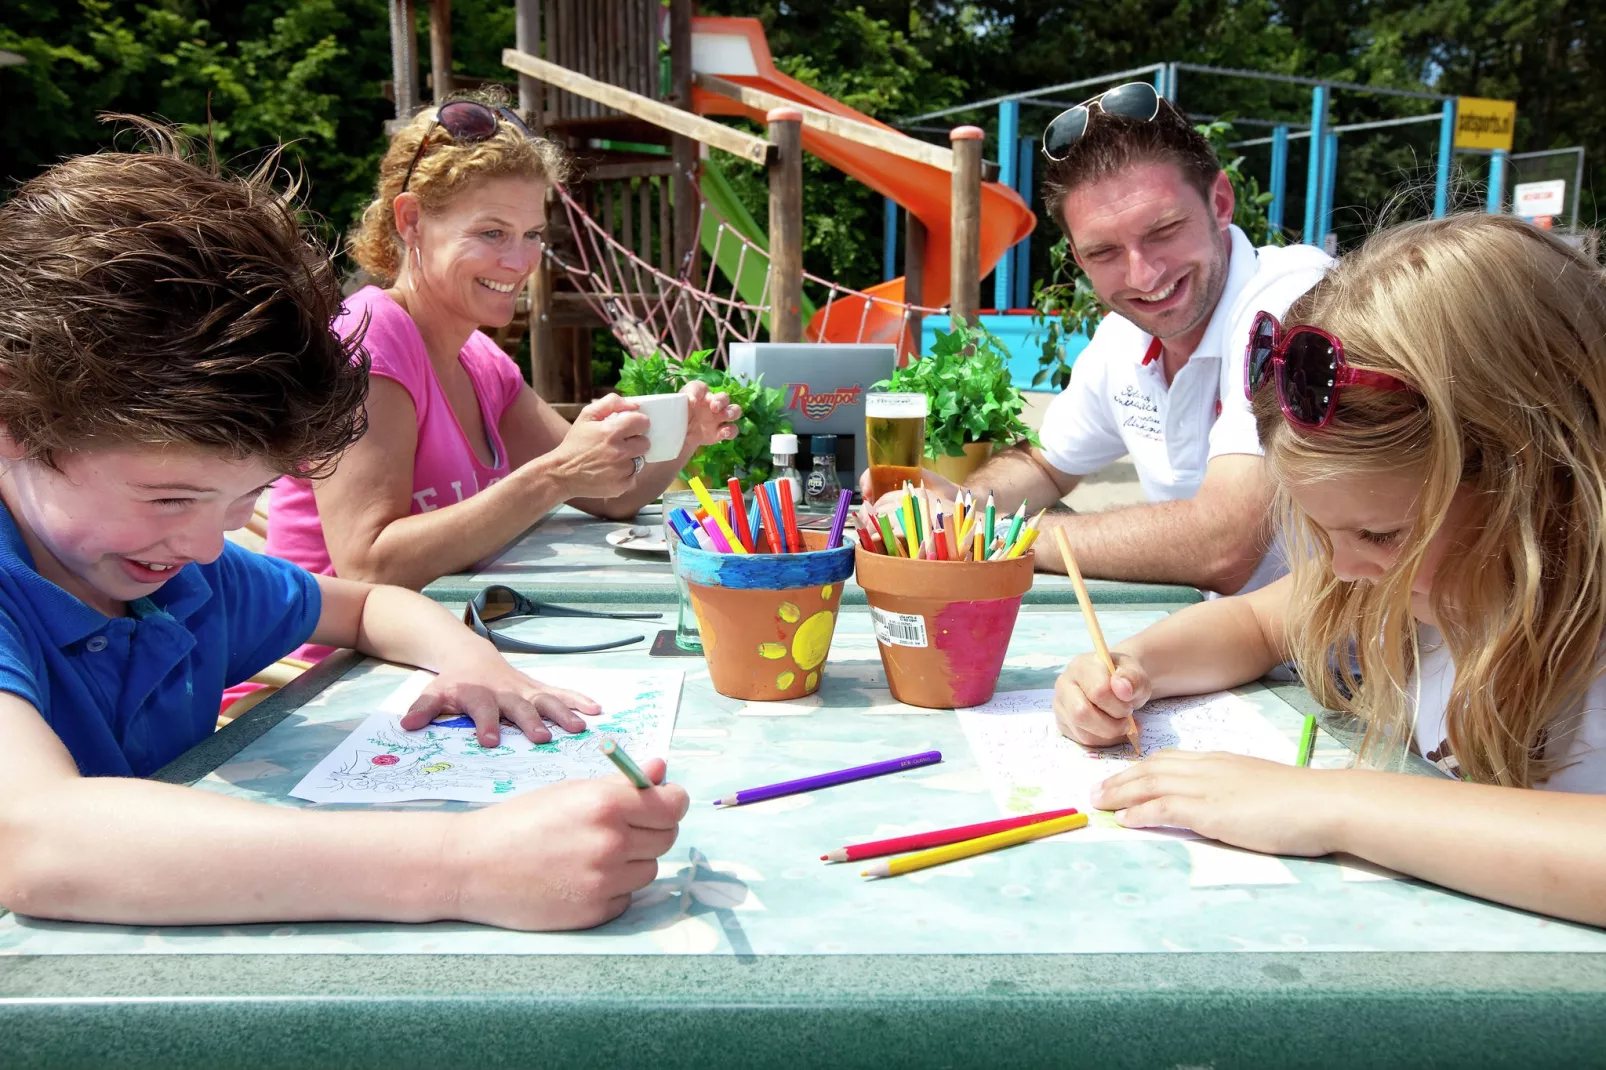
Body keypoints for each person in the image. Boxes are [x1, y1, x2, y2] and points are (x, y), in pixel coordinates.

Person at [0, 124, 686, 931]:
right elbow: (35, 839)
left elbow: (362, 606)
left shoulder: (180, 571)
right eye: (169, 499)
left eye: (239, 501)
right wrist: (458, 867)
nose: (208, 547)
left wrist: (469, 659)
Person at [1055, 214, 1606, 927]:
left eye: (1380, 533)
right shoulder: (1402, 584)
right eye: (1321, 531)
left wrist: (1332, 804)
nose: (1342, 566)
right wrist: (1132, 667)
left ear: (1539, 479)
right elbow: (1256, 621)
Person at [267, 93, 740, 592]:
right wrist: (554, 476)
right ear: (411, 222)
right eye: (492, 233)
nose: (520, 262)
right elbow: (369, 565)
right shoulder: (367, 339)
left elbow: (608, 497)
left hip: (438, 640)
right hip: (330, 665)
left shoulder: (480, 360)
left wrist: (683, 435)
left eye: (532, 234)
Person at [879, 83, 1332, 594]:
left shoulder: (1296, 301)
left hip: (1349, 668)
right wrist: (963, 503)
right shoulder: (1123, 336)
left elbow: (1224, 546)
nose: (1143, 276)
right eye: (1104, 253)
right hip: (1231, 653)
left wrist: (993, 534)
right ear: (1078, 259)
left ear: (1220, 202)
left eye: (1163, 230)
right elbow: (1044, 465)